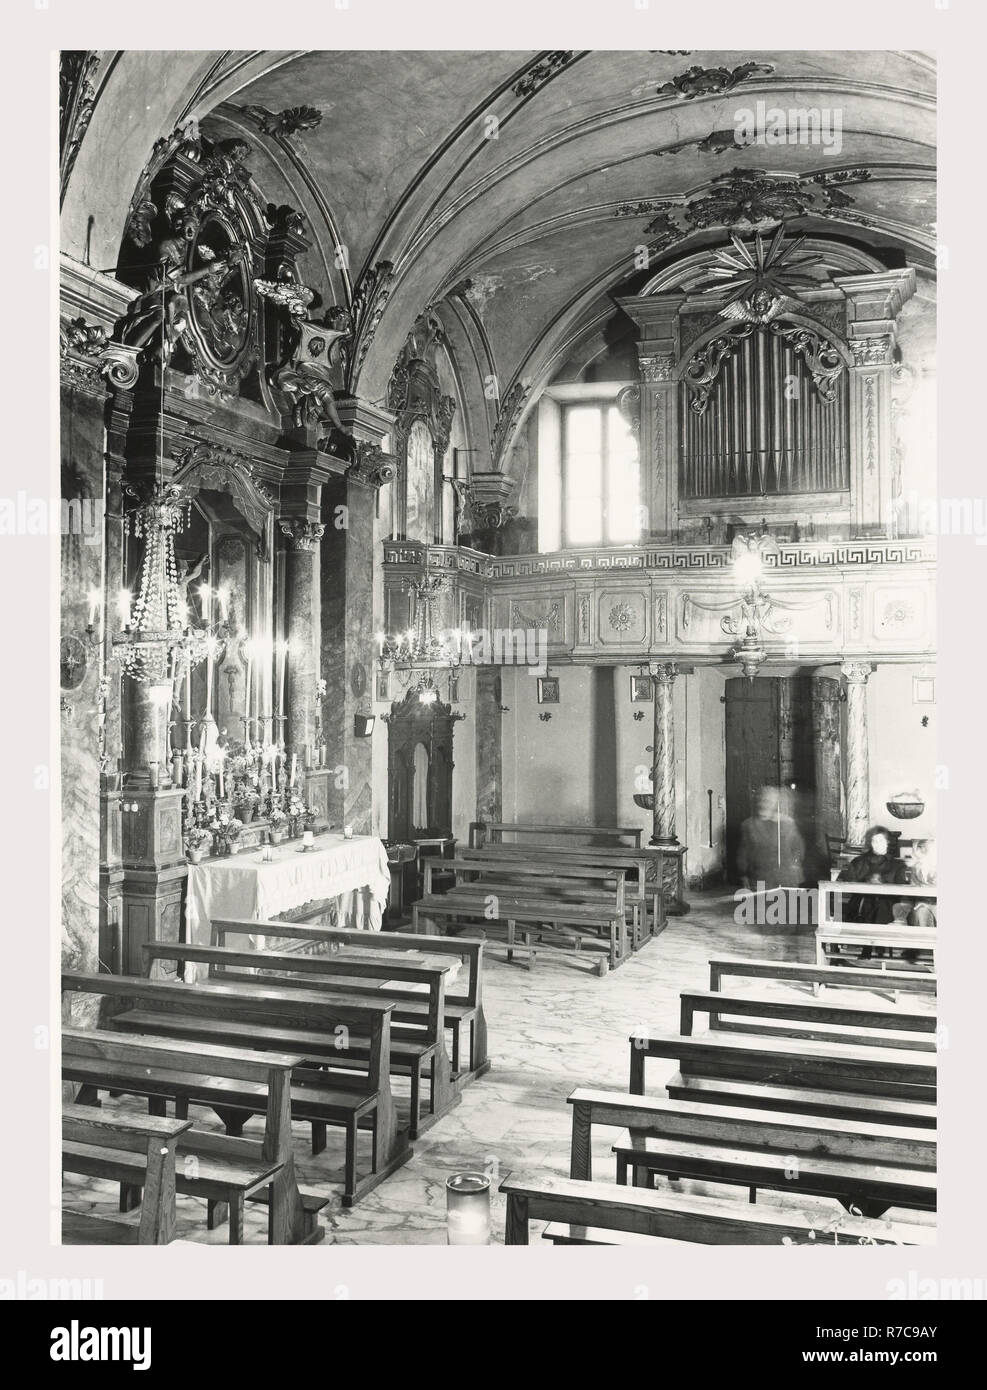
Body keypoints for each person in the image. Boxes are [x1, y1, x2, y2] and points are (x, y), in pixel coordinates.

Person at [837, 825, 909, 959]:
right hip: (861, 904)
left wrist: (883, 885)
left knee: (880, 904)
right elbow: (846, 880)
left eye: (881, 841)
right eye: (874, 841)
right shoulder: (860, 861)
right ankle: (869, 946)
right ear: (870, 843)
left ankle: (867, 948)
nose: (877, 845)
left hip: (887, 905)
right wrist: (866, 881)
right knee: (869, 902)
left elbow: (902, 890)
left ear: (887, 842)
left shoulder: (897, 865)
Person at [737, 785, 805, 894]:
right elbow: (743, 854)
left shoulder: (787, 823)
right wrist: (743, 875)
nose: (763, 804)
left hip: (786, 879)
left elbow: (798, 848)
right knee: (761, 908)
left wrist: (795, 867)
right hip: (760, 878)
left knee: (787, 909)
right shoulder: (749, 825)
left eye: (768, 801)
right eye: (761, 800)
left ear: (775, 804)